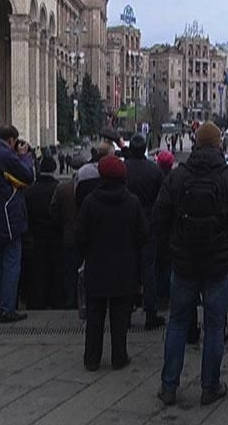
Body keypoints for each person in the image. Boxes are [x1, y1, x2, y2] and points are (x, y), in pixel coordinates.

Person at [153, 121, 228, 406]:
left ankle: (169, 386)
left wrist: (170, 252)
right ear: (219, 145)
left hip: (183, 265)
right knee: (214, 326)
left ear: (195, 144)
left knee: (177, 324)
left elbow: (159, 219)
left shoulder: (177, 177)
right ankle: (210, 386)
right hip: (218, 266)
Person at [76, 155, 149, 371]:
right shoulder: (132, 202)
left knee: (95, 314)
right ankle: (119, 356)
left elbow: (80, 234)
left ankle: (92, 358)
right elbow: (143, 234)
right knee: (120, 315)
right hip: (124, 267)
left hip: (97, 265)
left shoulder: (90, 201)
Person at [0, 125, 34, 322]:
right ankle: (8, 308)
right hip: (8, 217)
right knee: (11, 263)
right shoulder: (5, 155)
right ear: (11, 140)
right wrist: (24, 156)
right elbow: (28, 176)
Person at [125, 134, 166, 330]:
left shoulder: (123, 169)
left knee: (127, 268)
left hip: (126, 224)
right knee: (149, 270)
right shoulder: (154, 170)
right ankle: (150, 313)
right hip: (148, 224)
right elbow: (161, 199)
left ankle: (124, 313)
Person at [23, 156, 62, 309]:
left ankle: (37, 302)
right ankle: (55, 300)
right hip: (55, 235)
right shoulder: (58, 188)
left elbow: (26, 213)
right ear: (53, 169)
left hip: (36, 236)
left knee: (37, 271)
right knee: (55, 270)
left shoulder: (30, 190)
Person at [50, 155, 86, 309]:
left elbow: (53, 211)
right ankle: (85, 301)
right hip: (86, 237)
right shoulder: (90, 187)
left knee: (70, 271)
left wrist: (63, 225)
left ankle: (71, 301)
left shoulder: (62, 188)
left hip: (68, 236)